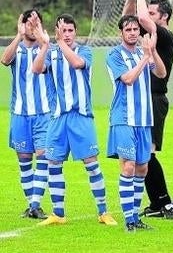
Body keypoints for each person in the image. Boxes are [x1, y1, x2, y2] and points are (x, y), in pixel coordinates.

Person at [30, 13, 117, 226]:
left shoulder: (84, 51)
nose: (67, 35)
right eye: (63, 31)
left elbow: (78, 63)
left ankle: (103, 212)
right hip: (58, 117)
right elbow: (36, 68)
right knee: (53, 163)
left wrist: (58, 43)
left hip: (81, 116)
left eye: (70, 30)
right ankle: (58, 214)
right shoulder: (51, 53)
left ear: (76, 32)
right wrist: (44, 45)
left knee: (92, 164)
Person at [122, 0, 173, 219]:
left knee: (147, 154)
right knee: (142, 155)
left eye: (153, 13)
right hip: (142, 101)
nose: (146, 17)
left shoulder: (163, 35)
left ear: (163, 17)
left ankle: (163, 203)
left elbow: (142, 18)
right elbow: (127, 19)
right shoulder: (146, 35)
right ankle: (158, 204)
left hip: (155, 99)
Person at [106, 15, 167, 232]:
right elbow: (128, 79)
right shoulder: (114, 55)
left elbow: (161, 72)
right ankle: (129, 220)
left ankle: (135, 217)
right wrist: (145, 58)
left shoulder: (145, 52)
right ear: (121, 32)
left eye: (135, 29)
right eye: (128, 29)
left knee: (142, 168)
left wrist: (152, 52)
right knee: (128, 166)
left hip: (144, 120)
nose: (132, 32)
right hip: (123, 118)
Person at [0, 10, 51, 220]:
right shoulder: (17, 48)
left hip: (42, 114)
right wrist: (19, 35)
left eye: (35, 23)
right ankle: (32, 205)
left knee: (43, 157)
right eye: (27, 23)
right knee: (24, 160)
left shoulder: (47, 48)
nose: (31, 26)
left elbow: (44, 68)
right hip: (20, 114)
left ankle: (36, 204)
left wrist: (42, 41)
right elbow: (4, 60)